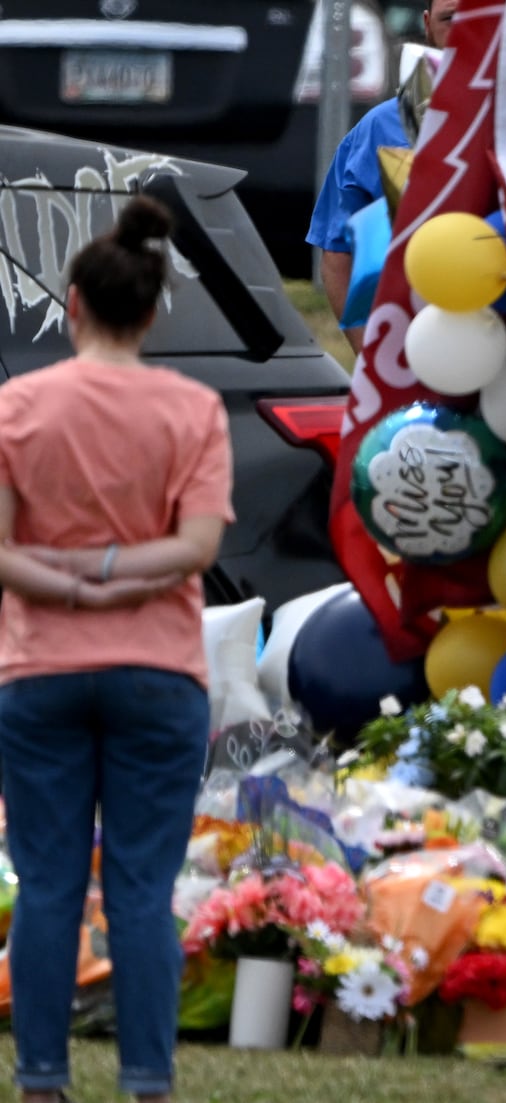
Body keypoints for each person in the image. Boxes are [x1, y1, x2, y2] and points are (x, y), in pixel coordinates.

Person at [0, 196, 233, 1103]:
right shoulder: (193, 410)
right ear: (151, 310)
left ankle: (43, 1079)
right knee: (142, 888)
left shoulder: (17, 406)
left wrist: (64, 580)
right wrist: (119, 574)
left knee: (50, 883)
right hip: (158, 667)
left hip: (38, 669)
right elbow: (200, 546)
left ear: (71, 305)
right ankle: (148, 1081)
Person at [306, 0, 458, 351]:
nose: (463, 31)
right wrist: (370, 358)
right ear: (426, 24)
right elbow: (336, 254)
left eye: (476, 19)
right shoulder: (380, 128)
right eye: (449, 18)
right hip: (415, 351)